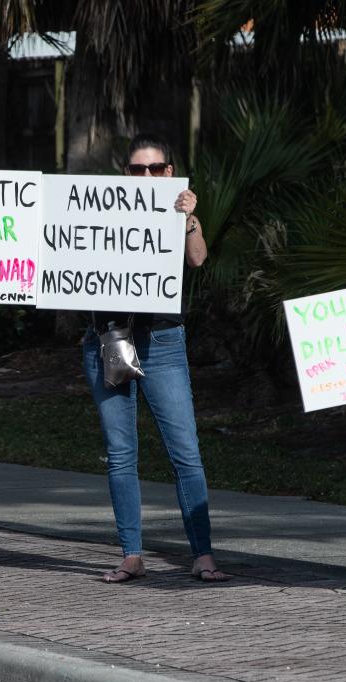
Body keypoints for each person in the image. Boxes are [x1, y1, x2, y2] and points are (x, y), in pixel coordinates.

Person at [83, 134, 227, 584]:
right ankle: (131, 554)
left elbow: (199, 259)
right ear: (124, 174)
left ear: (169, 172)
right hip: (108, 339)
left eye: (154, 168)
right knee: (120, 453)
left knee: (185, 452)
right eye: (135, 170)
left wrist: (189, 220)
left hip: (162, 342)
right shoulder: (98, 208)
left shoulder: (180, 213)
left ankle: (202, 554)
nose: (145, 177)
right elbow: (40, 221)